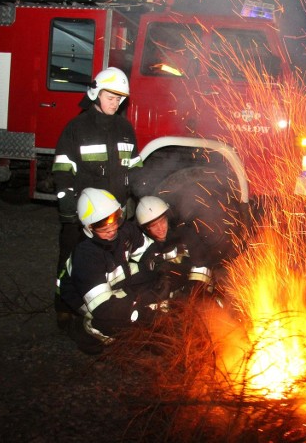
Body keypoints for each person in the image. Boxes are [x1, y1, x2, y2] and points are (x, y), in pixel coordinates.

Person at [52, 67, 142, 328]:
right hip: (84, 217)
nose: (116, 103)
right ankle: (63, 307)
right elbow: (62, 168)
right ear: (95, 93)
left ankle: (107, 306)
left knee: (113, 260)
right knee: (69, 259)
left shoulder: (125, 129)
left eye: (119, 99)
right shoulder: (77, 128)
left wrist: (144, 187)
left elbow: (134, 166)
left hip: (114, 216)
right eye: (110, 97)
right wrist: (67, 203)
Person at [57, 188, 167, 354]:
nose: (111, 229)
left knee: (154, 285)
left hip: (114, 282)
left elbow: (147, 251)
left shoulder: (124, 230)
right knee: (113, 320)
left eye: (114, 220)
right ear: (88, 228)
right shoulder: (86, 255)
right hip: (88, 299)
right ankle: (86, 331)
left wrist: (162, 268)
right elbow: (104, 306)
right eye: (102, 227)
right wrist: (138, 311)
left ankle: (149, 329)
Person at [135, 195, 216, 300]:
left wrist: (193, 292)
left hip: (200, 291)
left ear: (168, 217)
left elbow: (203, 265)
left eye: (162, 221)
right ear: (146, 229)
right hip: (172, 304)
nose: (160, 228)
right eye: (154, 225)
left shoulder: (185, 234)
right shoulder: (148, 255)